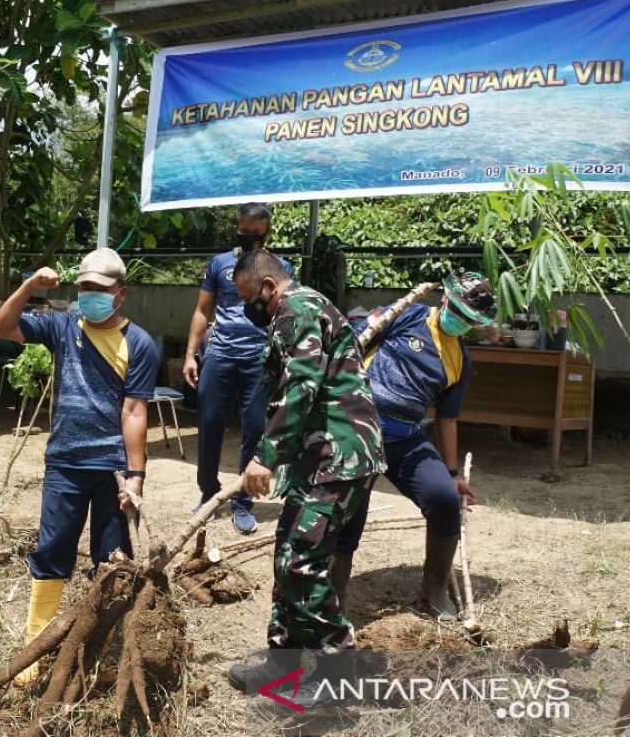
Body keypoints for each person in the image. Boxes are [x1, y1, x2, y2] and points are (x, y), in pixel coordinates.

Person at [0, 248, 158, 686]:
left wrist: (136, 476)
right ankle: (35, 648)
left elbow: (134, 411)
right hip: (64, 461)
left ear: (119, 295)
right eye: (83, 287)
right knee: (52, 552)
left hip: (111, 469)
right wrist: (29, 286)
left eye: (99, 290)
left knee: (112, 559)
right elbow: (1, 326)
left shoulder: (137, 343)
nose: (88, 296)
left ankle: (100, 649)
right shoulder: (63, 326)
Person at [226, 251, 385, 708]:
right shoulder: (297, 311)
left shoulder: (297, 309)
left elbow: (301, 387)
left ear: (270, 287)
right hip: (317, 457)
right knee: (288, 555)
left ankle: (339, 673)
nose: (247, 309)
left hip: (339, 454)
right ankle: (284, 662)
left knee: (302, 560)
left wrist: (265, 457)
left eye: (248, 298)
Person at [333, 272, 495, 620]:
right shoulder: (407, 315)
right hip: (360, 428)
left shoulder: (460, 360)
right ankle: (334, 599)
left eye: (471, 320)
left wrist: (452, 474)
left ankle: (433, 587)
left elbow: (446, 418)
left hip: (406, 437)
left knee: (444, 500)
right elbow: (357, 339)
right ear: (445, 300)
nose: (461, 322)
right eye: (459, 312)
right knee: (348, 516)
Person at [182, 203, 293, 534]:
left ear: (268, 231)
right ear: (236, 228)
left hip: (260, 360)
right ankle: (208, 493)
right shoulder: (219, 264)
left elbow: (287, 312)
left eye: (256, 234)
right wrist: (191, 354)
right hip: (220, 355)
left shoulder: (281, 266)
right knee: (211, 422)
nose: (249, 238)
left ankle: (243, 501)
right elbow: (203, 311)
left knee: (255, 429)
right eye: (244, 232)